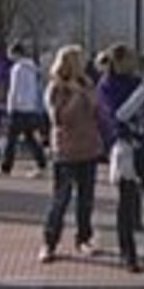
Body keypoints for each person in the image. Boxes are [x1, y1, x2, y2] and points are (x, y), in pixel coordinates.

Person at [97, 44, 144, 272]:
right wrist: (143, 92)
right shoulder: (107, 85)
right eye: (129, 60)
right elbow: (119, 114)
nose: (133, 64)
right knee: (126, 203)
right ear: (118, 61)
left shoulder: (136, 80)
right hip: (126, 147)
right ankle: (127, 251)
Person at [39, 45, 102, 263]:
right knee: (60, 199)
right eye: (79, 60)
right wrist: (74, 95)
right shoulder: (55, 88)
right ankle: (49, 242)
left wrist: (85, 92)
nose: (84, 64)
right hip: (66, 151)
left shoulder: (86, 83)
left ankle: (84, 238)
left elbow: (96, 108)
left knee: (86, 199)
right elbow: (60, 118)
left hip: (89, 148)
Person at [0, 42, 48, 178]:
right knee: (30, 138)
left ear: (16, 53)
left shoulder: (17, 69)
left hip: (18, 109)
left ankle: (6, 167)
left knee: (11, 139)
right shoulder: (33, 69)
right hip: (30, 108)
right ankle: (42, 164)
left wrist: (10, 107)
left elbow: (14, 90)